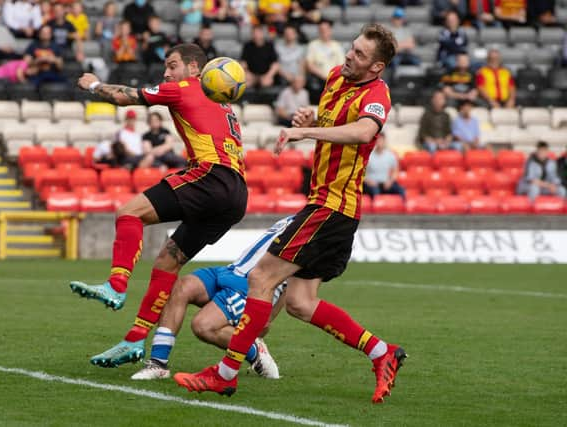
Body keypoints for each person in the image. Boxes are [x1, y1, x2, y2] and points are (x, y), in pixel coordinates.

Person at [174, 24, 407, 405]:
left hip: (333, 206)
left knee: (261, 277)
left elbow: (365, 132)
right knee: (300, 302)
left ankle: (226, 373)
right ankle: (382, 353)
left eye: (360, 55)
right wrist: (310, 121)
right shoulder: (335, 77)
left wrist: (307, 135)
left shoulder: (377, 94)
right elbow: (333, 124)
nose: (349, 56)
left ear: (376, 68)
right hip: (325, 206)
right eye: (351, 49)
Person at [70, 43, 247, 368]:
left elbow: (124, 96)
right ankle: (134, 340)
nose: (166, 73)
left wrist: (94, 85)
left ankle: (116, 285)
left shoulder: (185, 88)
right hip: (235, 193)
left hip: (210, 176)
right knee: (167, 263)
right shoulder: (223, 103)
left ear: (195, 69)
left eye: (173, 64)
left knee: (128, 212)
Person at [131, 216, 295, 380]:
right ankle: (158, 364)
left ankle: (254, 350)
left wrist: (268, 317)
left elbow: (295, 274)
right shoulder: (300, 216)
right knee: (180, 288)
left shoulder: (314, 231)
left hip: (249, 287)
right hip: (231, 270)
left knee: (203, 326)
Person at [305, 19, 345, 103]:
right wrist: (325, 77)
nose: (323, 32)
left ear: (330, 30)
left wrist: (331, 78)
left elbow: (341, 66)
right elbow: (310, 65)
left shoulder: (337, 46)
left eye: (325, 29)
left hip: (334, 80)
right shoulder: (313, 45)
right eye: (321, 30)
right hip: (318, 80)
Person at [363, 132, 405, 199]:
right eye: (378, 140)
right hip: (371, 184)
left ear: (384, 141)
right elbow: (361, 173)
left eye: (381, 140)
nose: (379, 142)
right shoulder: (368, 155)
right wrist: (368, 181)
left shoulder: (391, 155)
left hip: (386, 183)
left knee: (401, 190)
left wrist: (390, 181)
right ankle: (377, 207)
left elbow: (395, 171)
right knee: (375, 191)